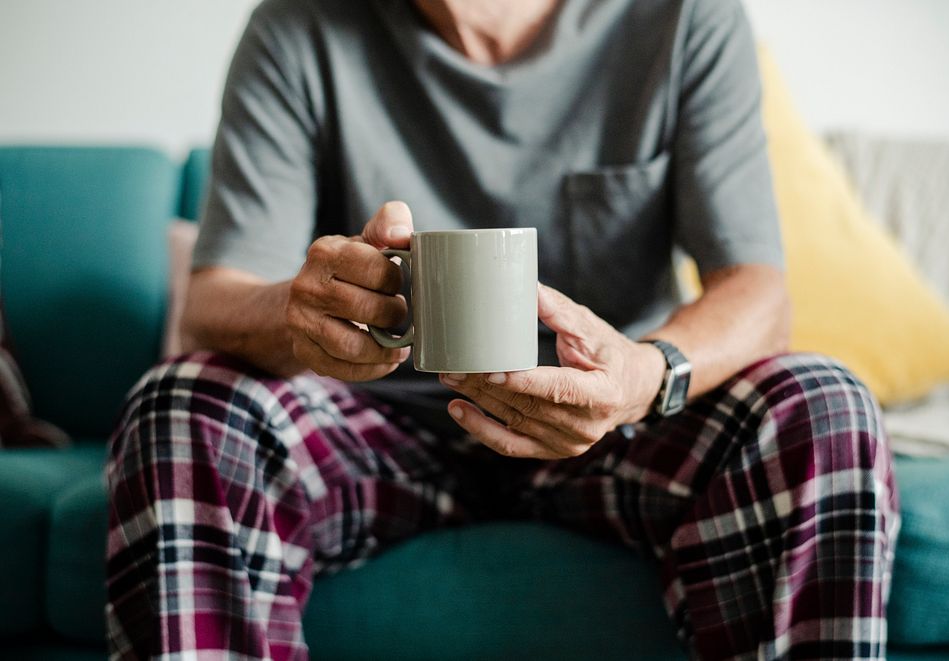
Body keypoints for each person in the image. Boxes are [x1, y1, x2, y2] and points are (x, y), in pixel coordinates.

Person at [105, 0, 899, 659]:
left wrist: (643, 376)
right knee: (182, 402)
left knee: (821, 401)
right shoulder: (299, 25)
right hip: (379, 429)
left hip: (608, 427)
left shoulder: (683, 16)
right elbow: (214, 298)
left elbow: (757, 292)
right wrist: (299, 310)